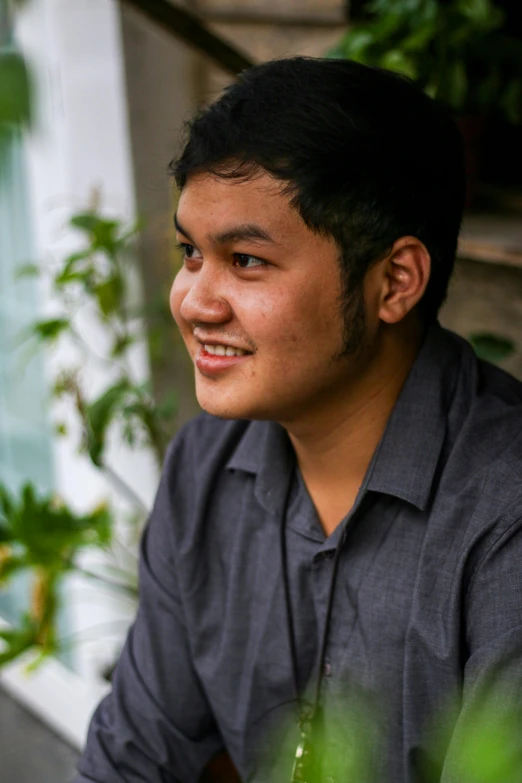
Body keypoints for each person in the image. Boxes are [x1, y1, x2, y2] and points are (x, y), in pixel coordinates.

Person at [74, 57, 522, 783]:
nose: (194, 300)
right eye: (191, 252)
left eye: (245, 259)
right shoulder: (206, 467)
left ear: (395, 281)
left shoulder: (504, 514)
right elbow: (132, 759)